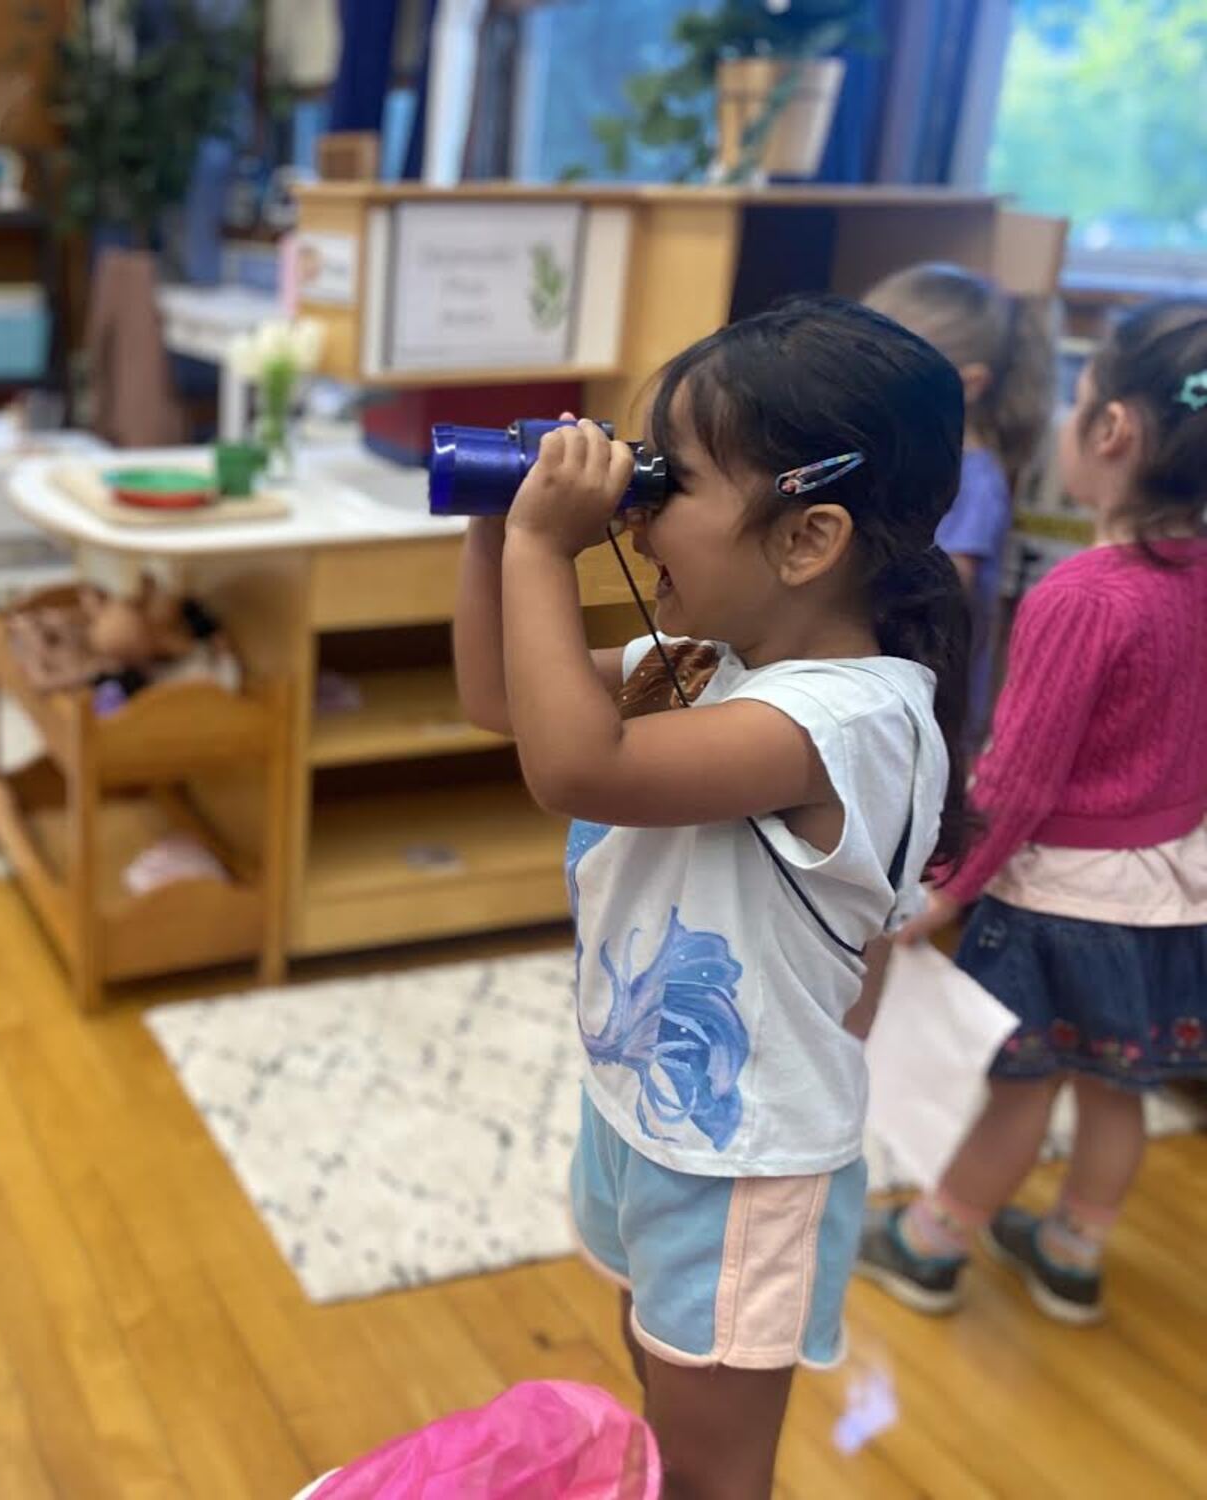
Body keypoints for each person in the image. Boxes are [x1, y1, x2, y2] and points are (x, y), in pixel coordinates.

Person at [455, 295, 971, 1499]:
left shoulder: (848, 719)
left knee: (712, 1470)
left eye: (664, 484)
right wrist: (495, 527)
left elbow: (574, 768)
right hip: (648, 1112)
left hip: (743, 1159)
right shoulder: (706, 666)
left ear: (806, 538)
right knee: (661, 1389)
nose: (632, 514)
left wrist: (544, 549)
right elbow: (501, 701)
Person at [856, 300, 1207, 1328]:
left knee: (1021, 1089)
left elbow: (1015, 778)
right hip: (1171, 890)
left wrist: (942, 889)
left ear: (1110, 433)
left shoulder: (1080, 598)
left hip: (1058, 901)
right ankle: (1069, 1252)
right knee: (1114, 1089)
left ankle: (930, 1245)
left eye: (1078, 394)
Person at [864, 262, 1058, 743]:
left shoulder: (974, 477)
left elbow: (950, 586)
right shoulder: (909, 455)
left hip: (929, 709)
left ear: (968, 385)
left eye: (880, 370)